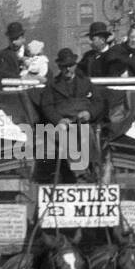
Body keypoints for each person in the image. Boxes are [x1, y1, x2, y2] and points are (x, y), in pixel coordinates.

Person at [35, 48, 106, 183]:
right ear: (59, 67)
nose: (67, 69)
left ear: (75, 65)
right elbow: (47, 106)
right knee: (66, 134)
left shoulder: (86, 83)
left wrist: (89, 113)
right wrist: (59, 120)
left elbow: (98, 102)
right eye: (64, 67)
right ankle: (81, 174)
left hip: (83, 122)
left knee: (86, 132)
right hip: (62, 125)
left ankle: (93, 168)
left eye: (70, 66)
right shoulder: (52, 85)